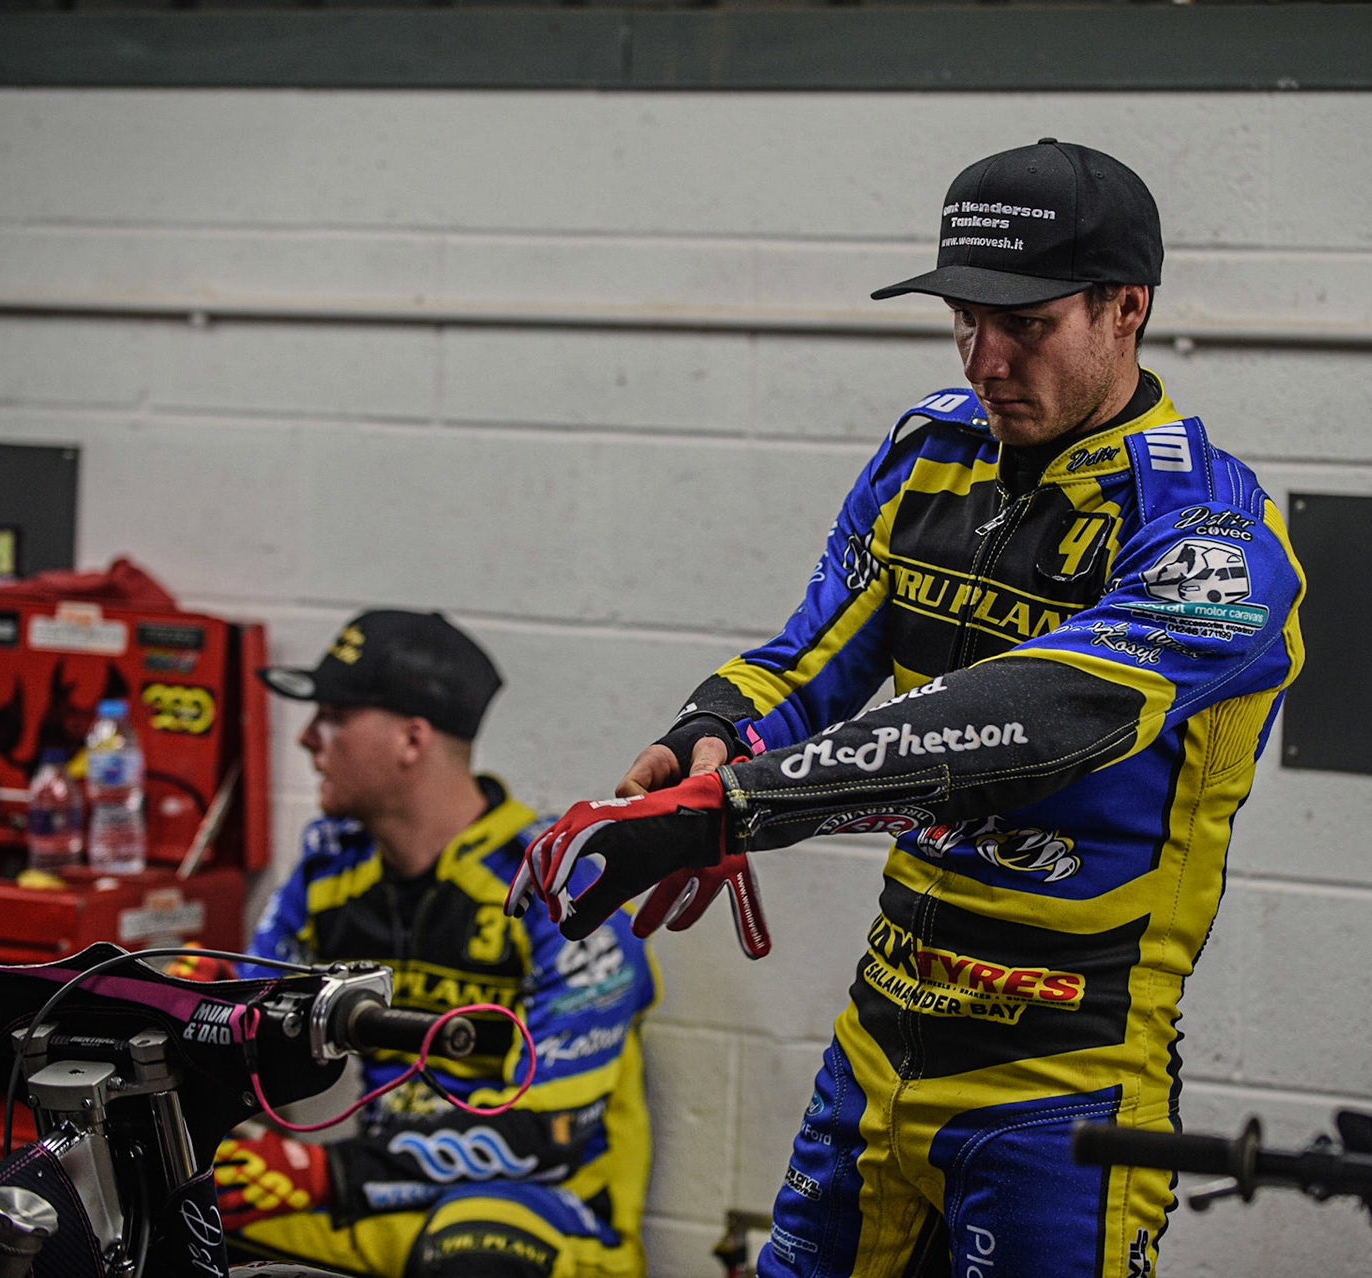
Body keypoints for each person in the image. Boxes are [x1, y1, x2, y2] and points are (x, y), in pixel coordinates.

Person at [511, 140, 1306, 1277]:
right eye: (964, 318)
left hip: (1063, 1081)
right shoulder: (929, 450)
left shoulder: (1214, 534)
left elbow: (1032, 719)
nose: (985, 359)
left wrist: (734, 809)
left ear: (1126, 308)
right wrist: (703, 744)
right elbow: (813, 653)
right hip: (878, 1039)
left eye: (1024, 323)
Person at [216, 610, 658, 1278]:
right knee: (178, 1218)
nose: (308, 738)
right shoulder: (328, 873)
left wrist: (323, 1171)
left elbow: (553, 1136)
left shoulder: (559, 888)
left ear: (411, 740)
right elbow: (249, 1024)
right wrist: (194, 1002)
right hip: (375, 1196)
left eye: (333, 716)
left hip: (543, 1207)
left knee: (470, 1254)